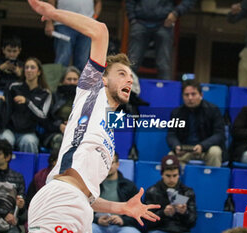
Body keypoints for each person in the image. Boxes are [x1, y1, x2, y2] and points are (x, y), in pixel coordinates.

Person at [27, 1, 160, 232]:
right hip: (61, 199)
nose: (129, 79)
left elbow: (87, 195)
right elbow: (100, 32)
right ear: (103, 79)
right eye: (121, 73)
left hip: (80, 206)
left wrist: (122, 208)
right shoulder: (91, 94)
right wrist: (51, 13)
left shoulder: (108, 132)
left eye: (131, 76)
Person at [126, 0, 196, 80]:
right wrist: (132, 18)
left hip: (164, 23)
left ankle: (165, 91)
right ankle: (124, 89)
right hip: (140, 22)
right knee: (132, 62)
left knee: (164, 65)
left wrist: (176, 13)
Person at [0, 57, 52, 153]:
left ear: (39, 72)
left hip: (29, 132)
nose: (29, 70)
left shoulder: (45, 93)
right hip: (9, 129)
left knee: (29, 142)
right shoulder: (14, 87)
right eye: (26, 67)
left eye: (32, 67)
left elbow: (43, 116)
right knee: (4, 140)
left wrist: (27, 102)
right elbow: (6, 109)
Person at [166, 80, 224, 167]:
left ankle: (211, 180)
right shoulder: (176, 113)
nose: (190, 98)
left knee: (215, 152)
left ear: (201, 95)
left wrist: (202, 146)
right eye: (186, 95)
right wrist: (176, 146)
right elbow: (171, 134)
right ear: (182, 97)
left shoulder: (213, 110)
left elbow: (219, 134)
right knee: (171, 156)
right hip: (185, 150)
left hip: (206, 149)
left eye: (193, 94)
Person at [44, 0, 102, 72]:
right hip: (63, 23)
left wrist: (94, 18)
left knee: (82, 61)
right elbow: (51, 2)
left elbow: (98, 2)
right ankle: (59, 82)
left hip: (86, 24)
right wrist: (49, 22)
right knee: (63, 58)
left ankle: (80, 83)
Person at [144, 155, 197, 233]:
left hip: (181, 230)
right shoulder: (152, 192)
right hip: (159, 230)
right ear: (162, 174)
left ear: (179, 175)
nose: (171, 179)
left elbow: (192, 223)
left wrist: (185, 213)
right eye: (168, 176)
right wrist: (163, 213)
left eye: (174, 175)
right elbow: (147, 222)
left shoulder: (187, 192)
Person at [92, 152, 141, 233]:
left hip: (122, 227)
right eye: (104, 162)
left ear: (117, 164)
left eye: (111, 163)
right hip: (97, 226)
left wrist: (122, 220)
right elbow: (83, 208)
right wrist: (97, 220)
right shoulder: (92, 185)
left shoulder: (129, 186)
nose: (107, 166)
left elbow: (138, 213)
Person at [42, 66, 81, 151]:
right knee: (60, 140)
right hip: (56, 133)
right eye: (69, 79)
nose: (72, 82)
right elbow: (45, 120)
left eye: (75, 79)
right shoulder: (53, 97)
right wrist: (59, 126)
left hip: (79, 132)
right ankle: (55, 163)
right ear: (62, 81)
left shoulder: (84, 99)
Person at [0, 36, 23, 100]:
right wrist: (0, 69)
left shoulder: (22, 65)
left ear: (19, 51)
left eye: (14, 51)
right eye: (9, 51)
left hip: (17, 92)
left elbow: (28, 83)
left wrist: (19, 73)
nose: (11, 54)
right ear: (3, 50)